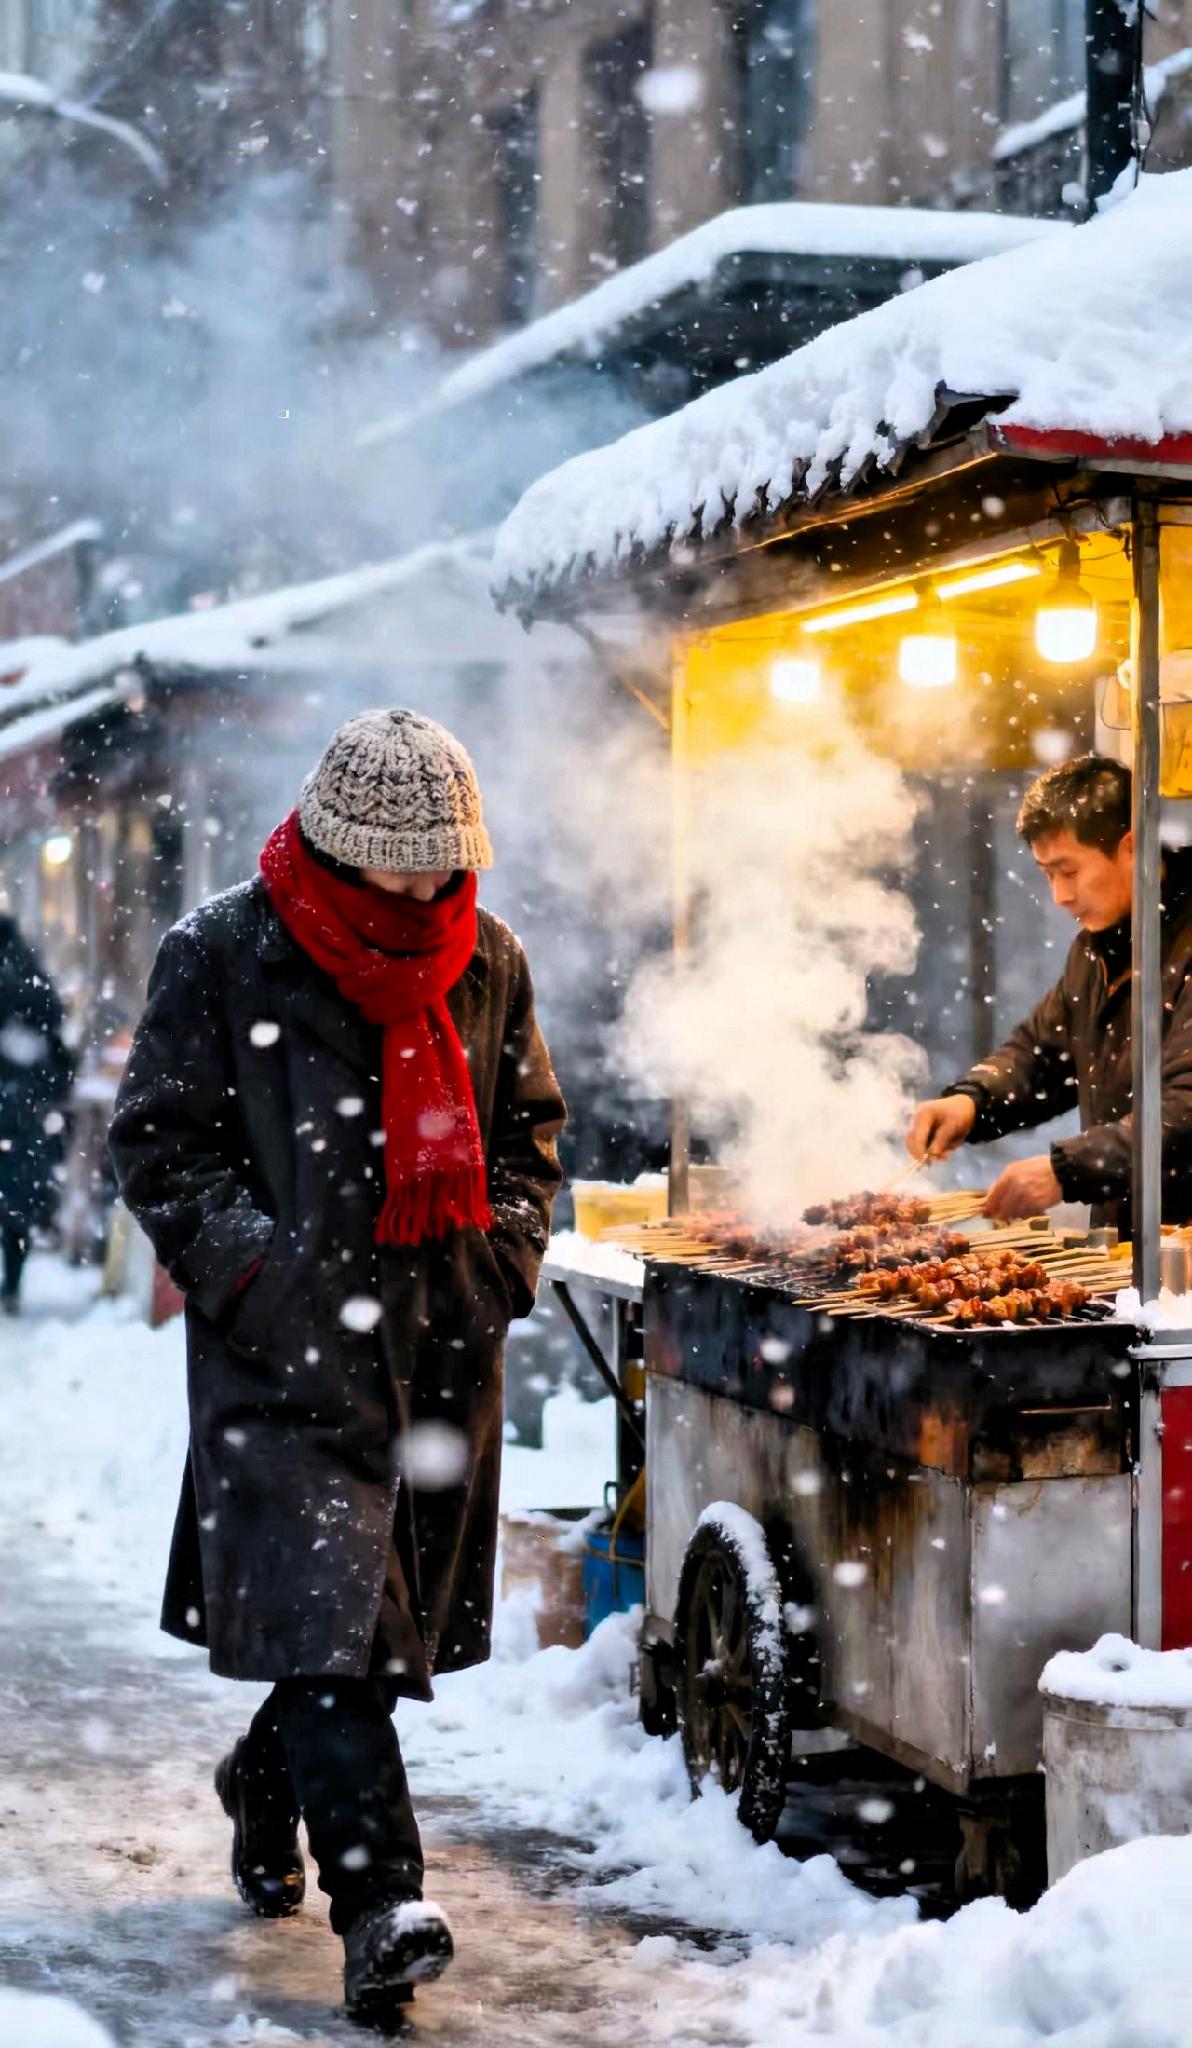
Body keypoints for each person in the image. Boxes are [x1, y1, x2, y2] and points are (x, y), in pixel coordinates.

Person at [109, 709, 566, 2027]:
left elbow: (530, 1135)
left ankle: (267, 1778)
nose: (428, 895)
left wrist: (501, 1267)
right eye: (401, 872)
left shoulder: (487, 959)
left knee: (364, 1637)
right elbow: (163, 1148)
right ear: (335, 846)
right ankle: (380, 1910)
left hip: (435, 1354)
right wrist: (263, 1275)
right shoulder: (221, 955)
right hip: (284, 1359)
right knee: (334, 1624)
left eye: (445, 869)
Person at [907, 754, 1192, 1231]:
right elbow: (1042, 1056)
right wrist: (972, 1102)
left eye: (1069, 871)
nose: (1059, 895)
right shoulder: (1096, 952)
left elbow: (1185, 1112)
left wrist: (1068, 1169)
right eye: (1046, 874)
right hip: (1131, 1256)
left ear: (1132, 847)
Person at [0, 913, 73, 1310]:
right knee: (17, 1200)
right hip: (24, 1106)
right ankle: (12, 1282)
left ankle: (11, 1282)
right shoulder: (25, 966)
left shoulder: (18, 970)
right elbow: (52, 1017)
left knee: (14, 1198)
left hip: (17, 1103)